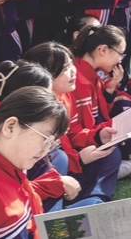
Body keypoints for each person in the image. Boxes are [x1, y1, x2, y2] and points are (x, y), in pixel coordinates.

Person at [24, 42, 120, 208]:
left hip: (70, 161)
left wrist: (98, 136)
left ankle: (95, 199)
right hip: (48, 170)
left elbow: (73, 133)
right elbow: (41, 158)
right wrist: (79, 159)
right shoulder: (33, 109)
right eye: (65, 69)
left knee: (111, 153)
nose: (74, 71)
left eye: (71, 64)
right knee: (58, 159)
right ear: (45, 75)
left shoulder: (64, 96)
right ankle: (76, 205)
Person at [0, 86, 68, 239]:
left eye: (52, 143)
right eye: (46, 139)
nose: (46, 150)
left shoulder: (7, 159)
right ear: (10, 127)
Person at [71, 25, 131, 180]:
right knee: (119, 148)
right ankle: (123, 165)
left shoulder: (92, 72)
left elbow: (100, 111)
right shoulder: (80, 80)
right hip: (90, 139)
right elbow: (86, 127)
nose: (120, 60)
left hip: (97, 132)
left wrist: (112, 91)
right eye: (120, 54)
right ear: (102, 50)